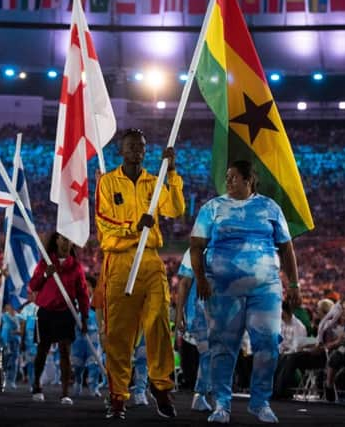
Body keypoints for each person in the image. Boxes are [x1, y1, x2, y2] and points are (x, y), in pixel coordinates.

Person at [190, 160, 300, 424]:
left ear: (249, 179)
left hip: (266, 289)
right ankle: (222, 405)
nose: (228, 181)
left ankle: (260, 402)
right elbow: (195, 245)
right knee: (223, 347)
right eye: (226, 177)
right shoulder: (213, 208)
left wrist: (294, 284)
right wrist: (201, 279)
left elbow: (286, 248)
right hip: (223, 290)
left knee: (268, 344)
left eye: (233, 177)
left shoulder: (269, 207)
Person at [95, 128, 185, 419]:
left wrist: (170, 173)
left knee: (158, 321)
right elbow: (104, 223)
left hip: (149, 260)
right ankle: (118, 396)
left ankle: (161, 386)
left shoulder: (154, 180)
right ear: (121, 151)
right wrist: (133, 227)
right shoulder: (108, 182)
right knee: (119, 334)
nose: (138, 150)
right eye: (132, 146)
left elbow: (175, 209)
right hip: (119, 262)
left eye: (142, 147)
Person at [28, 232, 89, 405]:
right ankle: (37, 386)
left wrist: (84, 317)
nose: (65, 242)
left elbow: (83, 294)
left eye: (68, 239)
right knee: (42, 350)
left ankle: (64, 393)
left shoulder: (76, 267)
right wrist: (46, 274)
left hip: (66, 313)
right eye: (63, 238)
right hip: (46, 312)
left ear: (71, 244)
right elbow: (33, 286)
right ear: (56, 240)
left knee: (65, 352)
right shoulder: (45, 263)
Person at [175, 249, 212, 412]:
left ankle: (206, 394)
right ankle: (201, 395)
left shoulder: (230, 244)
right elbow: (184, 282)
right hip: (200, 311)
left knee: (216, 354)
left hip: (224, 311)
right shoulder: (194, 249)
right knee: (208, 353)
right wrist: (179, 314)